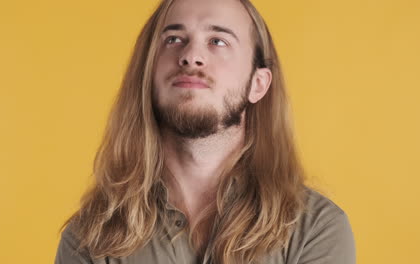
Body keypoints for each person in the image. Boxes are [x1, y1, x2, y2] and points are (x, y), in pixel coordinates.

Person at [55, 0, 356, 263]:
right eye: (173, 39)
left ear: (258, 84)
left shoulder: (316, 228)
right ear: (148, 74)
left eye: (218, 41)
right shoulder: (90, 237)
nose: (191, 56)